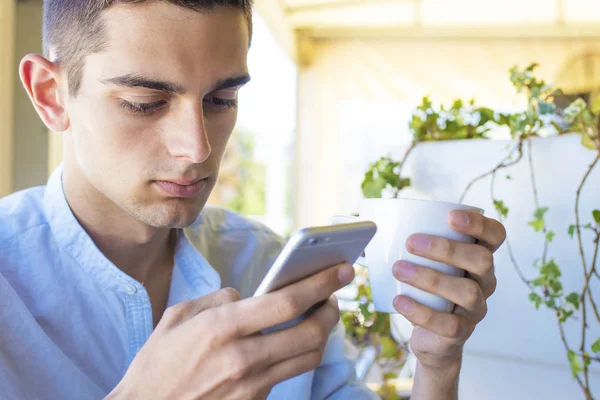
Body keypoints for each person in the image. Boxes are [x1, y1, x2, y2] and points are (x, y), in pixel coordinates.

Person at [0, 1, 506, 399]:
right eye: (145, 103)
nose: (197, 148)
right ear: (51, 93)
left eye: (222, 100)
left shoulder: (263, 262)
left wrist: (437, 364)